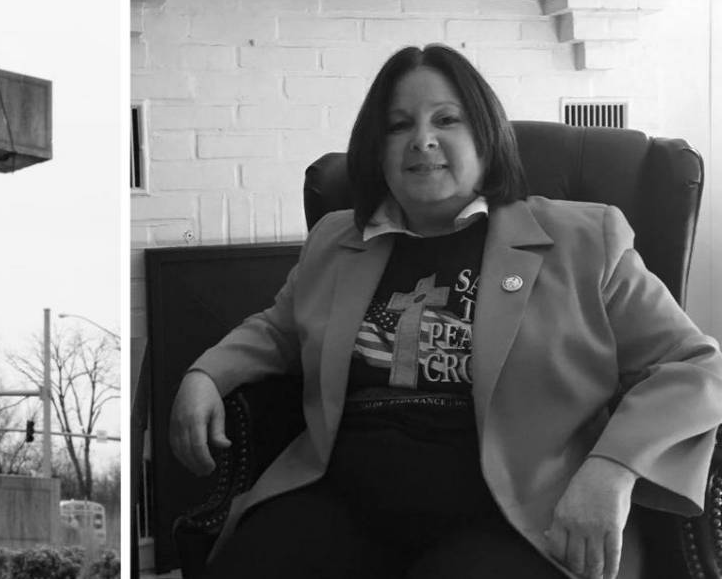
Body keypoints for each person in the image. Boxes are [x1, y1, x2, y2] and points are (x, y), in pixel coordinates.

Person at [169, 44, 722, 579]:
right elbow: (279, 329)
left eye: (447, 119)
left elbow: (695, 366)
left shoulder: (583, 239)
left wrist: (612, 469)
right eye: (398, 125)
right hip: (344, 501)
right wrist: (206, 373)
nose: (422, 140)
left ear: (485, 135)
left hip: (517, 516)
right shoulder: (338, 240)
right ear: (376, 148)